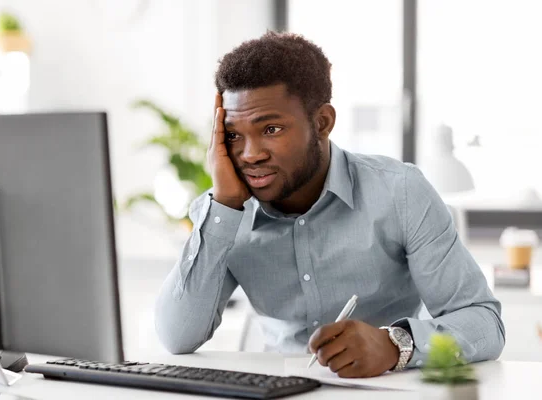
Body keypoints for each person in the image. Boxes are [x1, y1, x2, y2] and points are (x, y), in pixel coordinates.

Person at [154, 32, 504, 378]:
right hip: (275, 389)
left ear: (322, 122)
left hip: (382, 388)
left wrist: (395, 345)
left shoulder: (401, 192)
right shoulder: (224, 211)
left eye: (271, 128)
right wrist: (226, 206)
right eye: (233, 135)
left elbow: (483, 322)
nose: (251, 154)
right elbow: (177, 336)